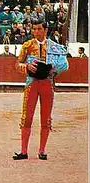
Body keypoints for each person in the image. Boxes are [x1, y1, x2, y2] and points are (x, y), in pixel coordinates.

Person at [13, 20, 69, 160]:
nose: (36, 32)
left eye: (39, 29)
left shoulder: (54, 46)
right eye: (34, 29)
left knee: (46, 118)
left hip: (47, 83)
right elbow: (17, 64)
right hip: (31, 83)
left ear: (45, 29)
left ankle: (42, 151)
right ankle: (24, 151)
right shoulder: (27, 45)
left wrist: (52, 69)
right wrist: (26, 67)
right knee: (27, 117)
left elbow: (64, 65)